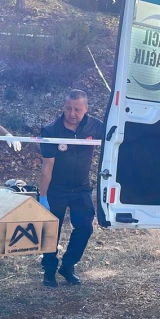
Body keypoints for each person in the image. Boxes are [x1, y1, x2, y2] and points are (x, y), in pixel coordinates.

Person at [38, 90, 105, 288]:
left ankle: (68, 266)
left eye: (77, 109)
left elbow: (116, 139)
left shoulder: (95, 125)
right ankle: (49, 271)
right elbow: (47, 167)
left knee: (85, 227)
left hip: (82, 188)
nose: (72, 113)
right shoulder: (51, 130)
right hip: (56, 189)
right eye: (68, 108)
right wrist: (43, 197)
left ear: (86, 108)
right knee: (51, 231)